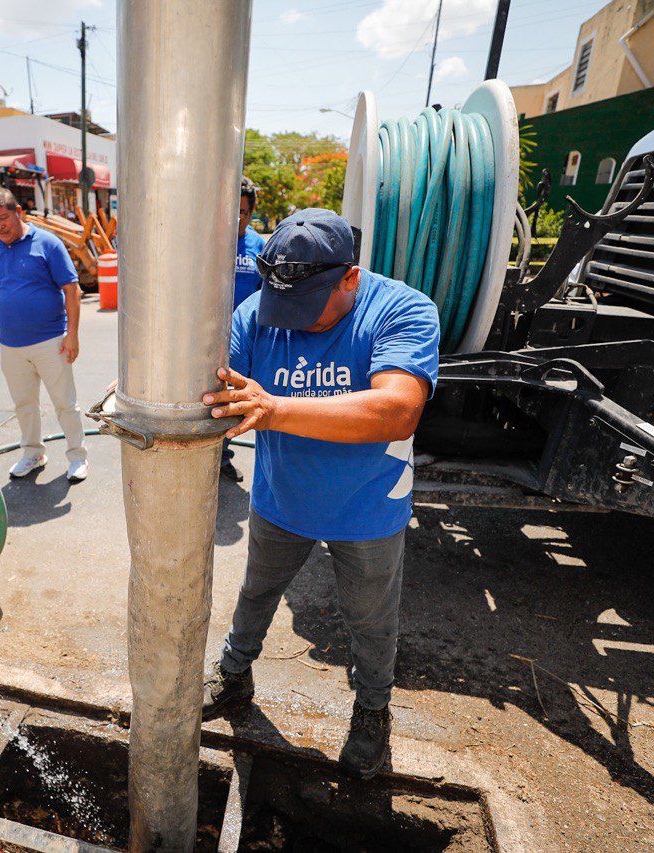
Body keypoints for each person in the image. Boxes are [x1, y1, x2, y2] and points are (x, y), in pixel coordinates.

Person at [200, 208, 440, 780]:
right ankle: (235, 676)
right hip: (282, 498)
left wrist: (277, 409)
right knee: (256, 593)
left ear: (350, 279)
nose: (294, 323)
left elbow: (398, 410)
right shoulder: (258, 314)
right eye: (284, 308)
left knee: (371, 620)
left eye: (309, 308)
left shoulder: (402, 310)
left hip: (367, 506)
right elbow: (209, 382)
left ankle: (372, 713)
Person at [0, 186, 88, 482]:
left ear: (18, 213)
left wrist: (72, 334)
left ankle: (77, 456)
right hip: (10, 346)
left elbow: (72, 290)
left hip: (51, 341)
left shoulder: (47, 243)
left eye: (4, 218)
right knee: (24, 405)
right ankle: (32, 454)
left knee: (65, 403)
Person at [222, 177, 267, 482]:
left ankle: (222, 457)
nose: (236, 217)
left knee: (235, 402)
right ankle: (207, 456)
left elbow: (269, 296)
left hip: (245, 342)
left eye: (242, 211)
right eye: (230, 209)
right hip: (207, 339)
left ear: (251, 213)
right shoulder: (210, 242)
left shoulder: (259, 247)